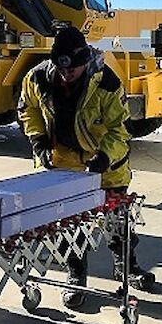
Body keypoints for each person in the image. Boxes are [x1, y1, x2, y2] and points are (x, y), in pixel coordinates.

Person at [17, 26, 154, 309]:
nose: (66, 74)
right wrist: (38, 139)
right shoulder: (39, 77)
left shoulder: (106, 84)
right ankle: (76, 274)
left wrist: (104, 157)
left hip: (106, 164)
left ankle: (126, 266)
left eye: (73, 70)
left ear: (84, 62)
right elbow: (27, 107)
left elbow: (121, 129)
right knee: (70, 226)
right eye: (61, 68)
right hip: (64, 163)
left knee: (117, 220)